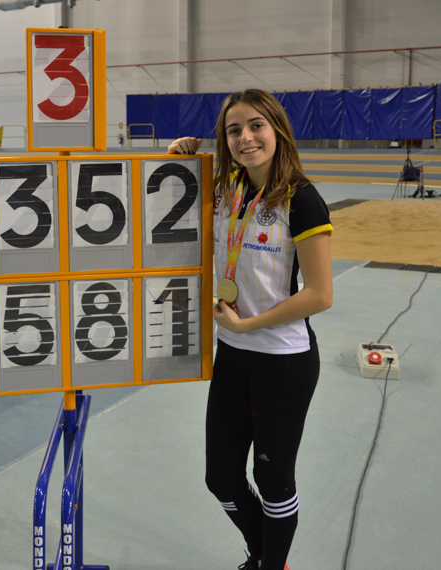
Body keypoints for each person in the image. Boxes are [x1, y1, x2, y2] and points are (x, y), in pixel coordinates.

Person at [169, 89, 333, 570]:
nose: (246, 137)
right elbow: (154, 194)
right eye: (234, 129)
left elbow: (320, 295)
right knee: (220, 476)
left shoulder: (303, 200)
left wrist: (247, 324)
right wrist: (174, 155)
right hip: (233, 355)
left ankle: (268, 564)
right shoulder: (224, 189)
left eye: (256, 125)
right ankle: (265, 555)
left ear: (277, 130)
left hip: (283, 360)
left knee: (274, 480)